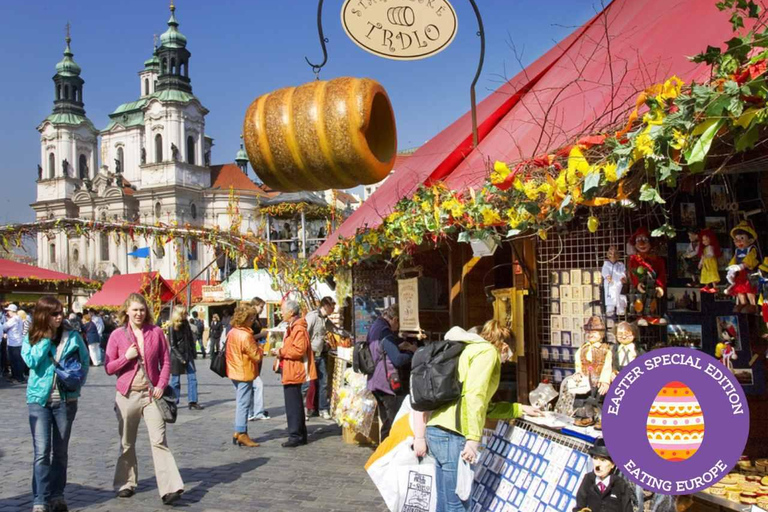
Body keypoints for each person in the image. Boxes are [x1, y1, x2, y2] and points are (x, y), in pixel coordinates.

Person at [412, 320, 542, 512]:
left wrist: (519, 409)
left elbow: (485, 407)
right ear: (504, 346)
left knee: (445, 502)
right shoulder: (488, 353)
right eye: (509, 355)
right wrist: (473, 439)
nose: (507, 360)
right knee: (459, 502)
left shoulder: (469, 348)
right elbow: (475, 397)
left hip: (437, 429)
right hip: (454, 434)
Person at [105, 293, 184, 505]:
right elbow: (109, 367)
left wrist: (161, 385)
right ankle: (126, 482)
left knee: (159, 440)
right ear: (127, 312)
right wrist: (126, 358)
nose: (139, 313)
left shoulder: (156, 332)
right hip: (127, 394)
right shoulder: (117, 336)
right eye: (135, 310)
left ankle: (170, 488)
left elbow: (166, 362)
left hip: (151, 395)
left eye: (142, 309)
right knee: (127, 442)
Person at [21, 296, 89, 512]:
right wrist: (45, 339)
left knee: (60, 452)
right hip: (38, 401)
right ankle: (40, 499)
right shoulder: (31, 337)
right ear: (44, 315)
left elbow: (85, 362)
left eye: (61, 312)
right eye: (54, 313)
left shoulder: (72, 336)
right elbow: (31, 361)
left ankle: (57, 496)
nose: (60, 317)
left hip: (65, 401)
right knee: (42, 451)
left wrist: (76, 385)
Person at [366, 304, 416, 440]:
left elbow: (380, 349)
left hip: (375, 380)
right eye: (398, 324)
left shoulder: (376, 325)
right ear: (395, 319)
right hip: (386, 382)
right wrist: (412, 353)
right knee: (393, 421)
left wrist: (397, 345)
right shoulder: (385, 332)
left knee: (386, 420)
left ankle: (383, 450)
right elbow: (398, 359)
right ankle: (388, 451)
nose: (398, 328)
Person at [277, 299, 316, 447]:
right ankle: (299, 434)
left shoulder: (298, 328)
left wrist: (280, 352)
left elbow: (298, 350)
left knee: (293, 404)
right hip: (290, 369)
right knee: (295, 403)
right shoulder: (292, 327)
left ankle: (296, 435)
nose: (281, 313)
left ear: (291, 312)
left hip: (294, 370)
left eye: (283, 310)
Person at [225, 302, 263, 447]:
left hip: (234, 370)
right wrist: (260, 347)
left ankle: (238, 431)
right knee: (243, 403)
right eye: (251, 318)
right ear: (245, 318)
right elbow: (256, 356)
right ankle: (241, 432)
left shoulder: (232, 331)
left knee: (241, 401)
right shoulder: (245, 335)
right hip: (244, 372)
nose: (253, 321)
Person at [573, 438, 633, 512]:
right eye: (595, 458)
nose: (597, 464)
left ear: (613, 464)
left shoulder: (620, 485)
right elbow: (579, 507)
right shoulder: (588, 479)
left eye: (603, 460)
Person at [303, 297, 337, 420]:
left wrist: (348, 334)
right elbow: (304, 333)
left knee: (323, 382)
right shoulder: (312, 317)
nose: (333, 309)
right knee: (308, 383)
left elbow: (334, 329)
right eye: (332, 307)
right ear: (325, 306)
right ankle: (306, 409)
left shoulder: (325, 319)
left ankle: (323, 408)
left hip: (320, 353)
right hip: (310, 353)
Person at [169, 306, 203, 410]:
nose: (186, 315)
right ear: (178, 314)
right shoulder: (172, 326)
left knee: (192, 378)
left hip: (188, 354)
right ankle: (174, 402)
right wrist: (181, 358)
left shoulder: (186, 324)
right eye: (184, 313)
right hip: (176, 356)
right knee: (175, 380)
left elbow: (190, 339)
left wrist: (193, 352)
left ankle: (192, 401)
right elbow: (172, 345)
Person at [248, 297, 270, 421]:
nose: (262, 310)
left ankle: (253, 410)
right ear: (255, 305)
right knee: (256, 383)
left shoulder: (255, 318)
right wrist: (262, 334)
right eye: (261, 307)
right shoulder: (251, 318)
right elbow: (248, 336)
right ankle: (255, 411)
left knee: (255, 383)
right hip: (252, 351)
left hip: (257, 350)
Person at [5, 304, 27, 383]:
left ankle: (18, 377)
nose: (7, 312)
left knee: (14, 361)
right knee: (18, 361)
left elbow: (4, 327)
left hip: (13, 342)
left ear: (11, 311)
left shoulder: (13, 319)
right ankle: (18, 376)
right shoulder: (19, 318)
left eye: (8, 311)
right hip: (18, 342)